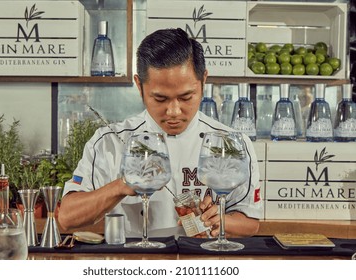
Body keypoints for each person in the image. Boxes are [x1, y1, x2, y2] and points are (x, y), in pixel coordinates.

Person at [58, 28, 263, 238]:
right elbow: (66, 218)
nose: (173, 112)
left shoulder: (232, 143)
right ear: (139, 86)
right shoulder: (109, 141)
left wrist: (220, 220)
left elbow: (250, 221)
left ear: (203, 81)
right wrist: (121, 185)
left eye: (186, 97)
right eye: (160, 99)